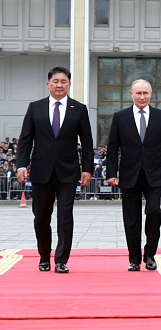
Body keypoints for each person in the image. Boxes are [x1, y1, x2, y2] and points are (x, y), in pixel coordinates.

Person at [16, 66, 94, 273]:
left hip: (68, 171)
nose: (60, 85)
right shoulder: (35, 108)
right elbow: (25, 140)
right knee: (41, 216)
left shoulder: (79, 109)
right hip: (41, 171)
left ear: (69, 84)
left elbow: (87, 142)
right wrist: (22, 165)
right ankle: (43, 256)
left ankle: (61, 260)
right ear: (48, 83)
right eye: (56, 81)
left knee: (65, 216)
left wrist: (88, 169)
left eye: (64, 82)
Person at [106, 79, 161, 272]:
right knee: (131, 218)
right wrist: (111, 173)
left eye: (145, 93)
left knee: (154, 212)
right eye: (138, 93)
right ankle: (134, 259)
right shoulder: (120, 117)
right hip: (129, 175)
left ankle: (150, 254)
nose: (142, 97)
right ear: (131, 94)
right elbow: (112, 147)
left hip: (154, 174)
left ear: (151, 94)